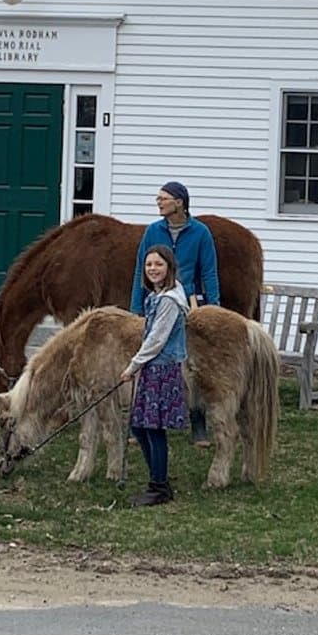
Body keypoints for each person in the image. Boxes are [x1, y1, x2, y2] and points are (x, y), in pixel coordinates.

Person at [129, 181, 220, 445]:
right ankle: (139, 421)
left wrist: (213, 308)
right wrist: (136, 309)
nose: (158, 202)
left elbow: (209, 272)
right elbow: (141, 269)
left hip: (187, 304)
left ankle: (198, 421)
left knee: (191, 363)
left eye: (163, 198)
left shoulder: (200, 232)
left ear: (179, 202)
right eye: (158, 198)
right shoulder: (153, 231)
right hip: (156, 302)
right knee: (149, 360)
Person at [121, 244, 189, 507]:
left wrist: (133, 366)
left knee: (153, 428)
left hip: (162, 369)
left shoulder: (170, 300)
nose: (153, 269)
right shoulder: (157, 295)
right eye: (149, 264)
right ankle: (158, 478)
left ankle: (159, 487)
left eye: (159, 264)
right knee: (139, 427)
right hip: (152, 368)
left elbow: (157, 339)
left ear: (169, 267)